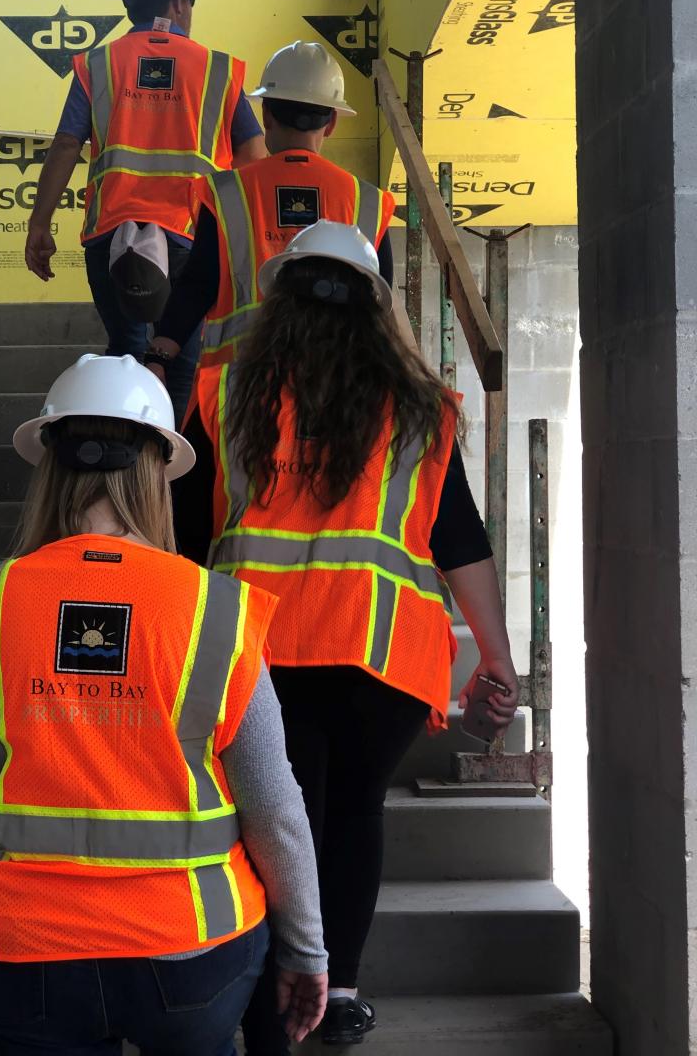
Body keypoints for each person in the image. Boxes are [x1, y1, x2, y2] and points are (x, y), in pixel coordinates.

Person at [0, 354, 329, 1056]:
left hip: (20, 954)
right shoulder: (214, 614)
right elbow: (275, 809)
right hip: (192, 953)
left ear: (50, 468)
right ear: (159, 471)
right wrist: (307, 952)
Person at [173, 222, 520, 1050]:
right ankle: (341, 990)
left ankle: (268, 981)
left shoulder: (223, 394)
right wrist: (496, 658)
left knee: (268, 818)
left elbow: (181, 538)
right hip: (384, 657)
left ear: (278, 297)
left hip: (254, 655)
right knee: (354, 808)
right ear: (378, 307)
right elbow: (459, 537)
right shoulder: (421, 407)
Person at [25, 0, 266, 426]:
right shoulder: (216, 69)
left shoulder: (99, 64)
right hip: (192, 239)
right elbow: (253, 153)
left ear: (127, 0)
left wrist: (39, 224)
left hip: (112, 234)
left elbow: (68, 144)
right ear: (178, 1)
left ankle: (125, 465)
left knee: (127, 354)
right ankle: (166, 475)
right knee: (179, 358)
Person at [145, 41, 397, 380]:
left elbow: (198, 284)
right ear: (332, 121)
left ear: (266, 115)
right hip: (338, 394)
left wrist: (158, 356)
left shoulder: (225, 194)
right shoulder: (369, 202)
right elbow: (380, 306)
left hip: (238, 397)